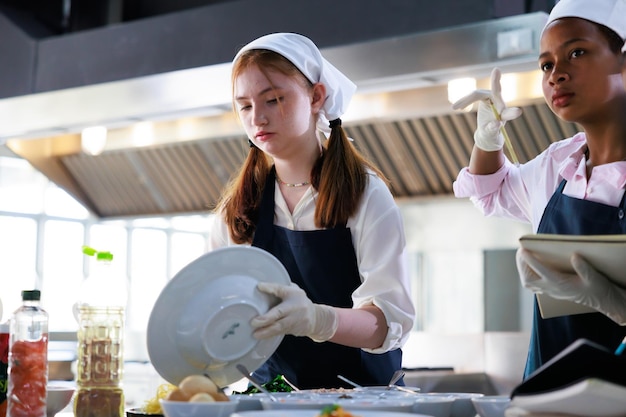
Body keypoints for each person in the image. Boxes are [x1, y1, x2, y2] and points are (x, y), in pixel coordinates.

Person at [207, 32, 415, 389]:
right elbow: (219, 314)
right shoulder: (239, 209)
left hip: (360, 403)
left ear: (316, 96)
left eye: (273, 99)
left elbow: (389, 321)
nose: (258, 117)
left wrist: (318, 320)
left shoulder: (365, 193)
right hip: (269, 404)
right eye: (244, 105)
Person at [452, 0, 626, 379]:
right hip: (549, 397)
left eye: (576, 52)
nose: (555, 75)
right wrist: (488, 136)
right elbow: (489, 193)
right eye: (546, 64)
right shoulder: (557, 165)